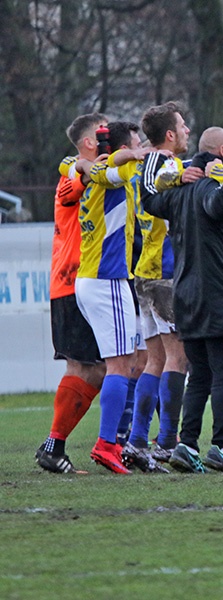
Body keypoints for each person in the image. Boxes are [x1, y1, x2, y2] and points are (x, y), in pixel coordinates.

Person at [142, 127, 223, 473]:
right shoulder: (211, 184)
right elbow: (217, 205)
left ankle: (186, 445)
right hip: (221, 294)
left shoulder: (180, 188)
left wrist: (174, 172)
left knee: (198, 375)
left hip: (186, 296)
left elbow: (149, 198)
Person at [113, 102, 190, 470]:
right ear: (170, 135)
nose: (188, 131)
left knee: (155, 359)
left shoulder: (141, 163)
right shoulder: (168, 163)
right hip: (165, 271)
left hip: (144, 270)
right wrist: (186, 178)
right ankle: (166, 441)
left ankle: (139, 440)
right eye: (183, 125)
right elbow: (157, 189)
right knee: (178, 356)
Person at [76, 120, 152, 474]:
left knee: (128, 361)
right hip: (107, 280)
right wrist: (136, 154)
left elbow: (74, 162)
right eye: (136, 143)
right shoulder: (113, 170)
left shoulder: (92, 171)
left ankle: (115, 441)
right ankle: (107, 443)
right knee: (122, 364)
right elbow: (119, 161)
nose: (140, 148)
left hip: (94, 278)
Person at [35, 113, 108, 474]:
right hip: (72, 282)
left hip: (92, 281)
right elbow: (74, 179)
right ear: (90, 141)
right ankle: (54, 445)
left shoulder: (104, 175)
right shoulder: (71, 177)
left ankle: (58, 444)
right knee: (88, 367)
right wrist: (78, 166)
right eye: (104, 131)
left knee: (103, 368)